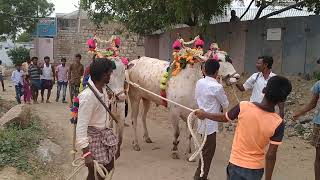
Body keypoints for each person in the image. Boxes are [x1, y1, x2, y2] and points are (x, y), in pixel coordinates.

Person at [195, 76, 292, 180]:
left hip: (235, 164)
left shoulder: (244, 106)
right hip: (255, 170)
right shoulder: (278, 123)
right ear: (282, 100)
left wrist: (205, 114)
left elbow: (224, 118)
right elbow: (271, 155)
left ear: (264, 90)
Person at [76, 58, 118, 180]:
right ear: (104, 75)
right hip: (94, 138)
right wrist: (86, 153)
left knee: (108, 166)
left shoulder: (103, 89)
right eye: (110, 73)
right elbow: (81, 126)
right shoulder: (88, 97)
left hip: (103, 134)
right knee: (94, 173)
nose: (111, 75)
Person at [194, 59, 229, 180]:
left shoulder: (199, 82)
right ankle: (199, 177)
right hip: (210, 126)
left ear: (204, 70)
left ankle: (201, 175)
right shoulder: (217, 86)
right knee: (208, 153)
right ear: (217, 72)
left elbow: (197, 98)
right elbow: (225, 103)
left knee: (204, 151)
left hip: (201, 123)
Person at [294, 81, 320, 180]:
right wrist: (300, 113)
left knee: (319, 157)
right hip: (319, 123)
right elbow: (313, 103)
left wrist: (300, 113)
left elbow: (313, 104)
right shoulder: (319, 84)